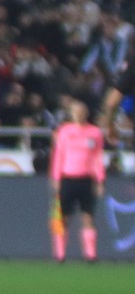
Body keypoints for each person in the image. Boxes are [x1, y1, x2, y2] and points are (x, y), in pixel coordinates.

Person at [51, 98, 109, 262]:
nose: (79, 115)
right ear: (71, 114)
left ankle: (90, 254)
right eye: (76, 112)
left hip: (86, 179)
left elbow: (98, 158)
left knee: (88, 217)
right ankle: (60, 254)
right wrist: (56, 178)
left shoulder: (95, 133)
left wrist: (100, 180)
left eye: (81, 112)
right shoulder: (64, 131)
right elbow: (58, 156)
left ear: (86, 114)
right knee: (63, 217)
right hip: (68, 178)